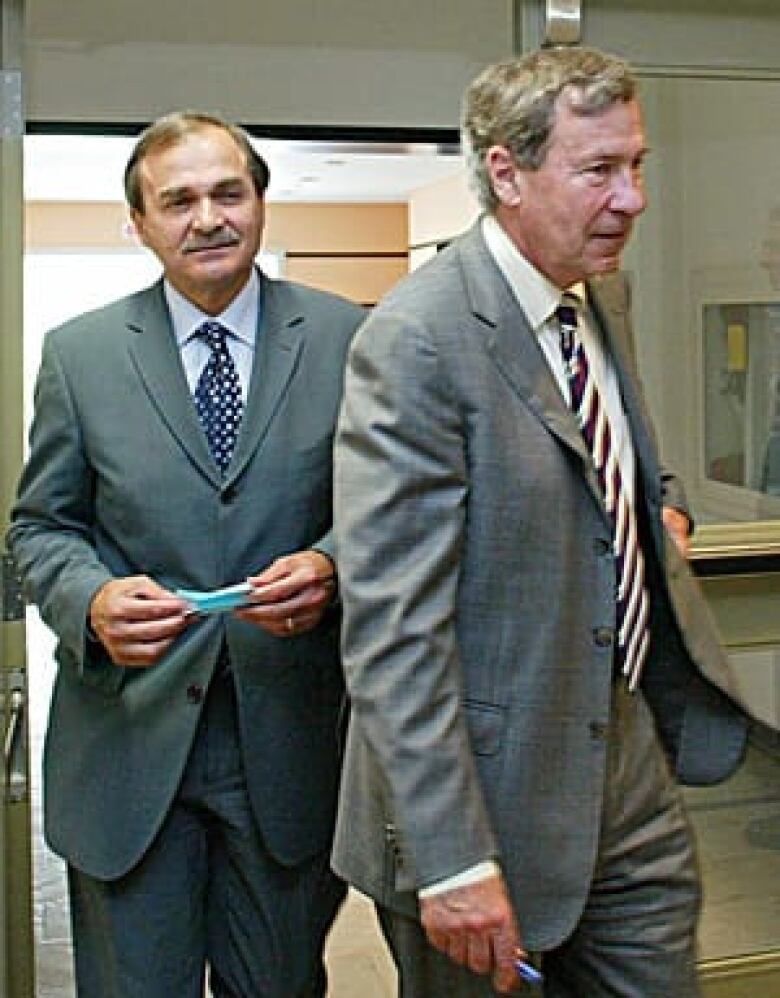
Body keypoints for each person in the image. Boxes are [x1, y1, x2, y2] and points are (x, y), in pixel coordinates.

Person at [331, 47, 748, 996]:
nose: (632, 198)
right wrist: (449, 859)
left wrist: (662, 508)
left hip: (627, 756)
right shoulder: (414, 342)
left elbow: (613, 440)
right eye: (598, 170)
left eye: (636, 165)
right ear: (505, 174)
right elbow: (395, 634)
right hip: (483, 792)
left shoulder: (603, 294)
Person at [8, 110, 364, 997]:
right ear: (139, 223)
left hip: (285, 745)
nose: (207, 218)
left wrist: (328, 563)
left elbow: (392, 513)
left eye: (227, 193)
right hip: (128, 744)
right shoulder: (80, 355)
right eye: (178, 201)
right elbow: (38, 528)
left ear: (260, 205)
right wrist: (89, 599)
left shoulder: (346, 339)